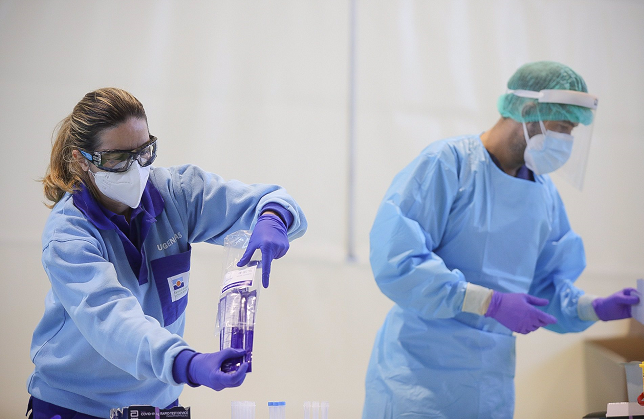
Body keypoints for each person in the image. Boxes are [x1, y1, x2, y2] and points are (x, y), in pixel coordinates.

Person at [361, 61, 640, 419]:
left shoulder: (543, 195)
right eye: (561, 127)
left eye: (571, 132)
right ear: (527, 111)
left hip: (489, 384)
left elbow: (546, 290)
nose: (566, 142)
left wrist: (593, 308)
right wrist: (488, 302)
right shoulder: (448, 166)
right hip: (419, 376)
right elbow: (398, 260)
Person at [26, 87, 307, 419]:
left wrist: (273, 218)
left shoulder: (175, 194)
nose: (136, 170)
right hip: (78, 405)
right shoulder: (68, 234)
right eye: (117, 159)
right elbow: (112, 321)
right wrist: (185, 362)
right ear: (80, 160)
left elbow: (269, 199)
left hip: (160, 402)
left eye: (144, 152)